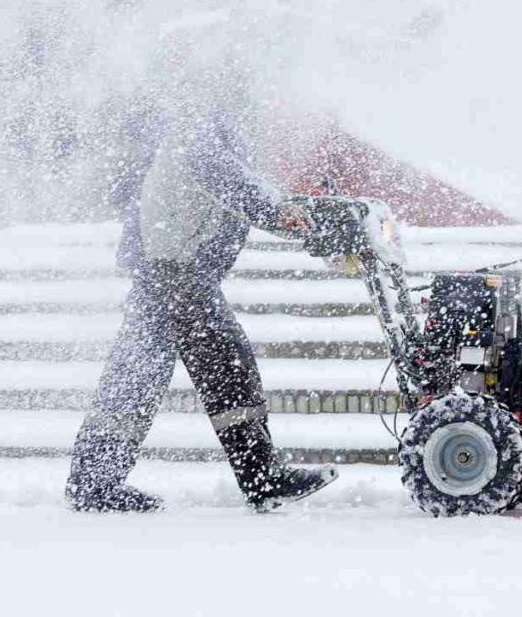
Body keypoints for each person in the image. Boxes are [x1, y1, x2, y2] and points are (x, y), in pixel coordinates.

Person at [65, 38, 338, 513]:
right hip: (174, 271)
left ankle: (94, 479)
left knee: (143, 375)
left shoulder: (212, 124)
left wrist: (289, 206)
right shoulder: (200, 124)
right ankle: (261, 477)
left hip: (171, 269)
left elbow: (235, 179)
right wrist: (281, 213)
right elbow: (224, 177)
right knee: (224, 367)